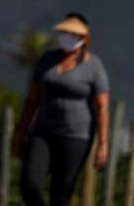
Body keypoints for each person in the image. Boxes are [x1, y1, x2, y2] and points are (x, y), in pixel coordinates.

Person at [13, 12, 110, 206]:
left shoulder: (93, 66)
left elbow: (102, 106)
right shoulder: (47, 60)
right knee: (30, 184)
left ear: (83, 39)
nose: (68, 38)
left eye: (74, 35)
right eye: (65, 33)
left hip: (76, 135)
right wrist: (20, 133)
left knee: (61, 193)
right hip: (43, 132)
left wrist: (103, 143)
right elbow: (32, 100)